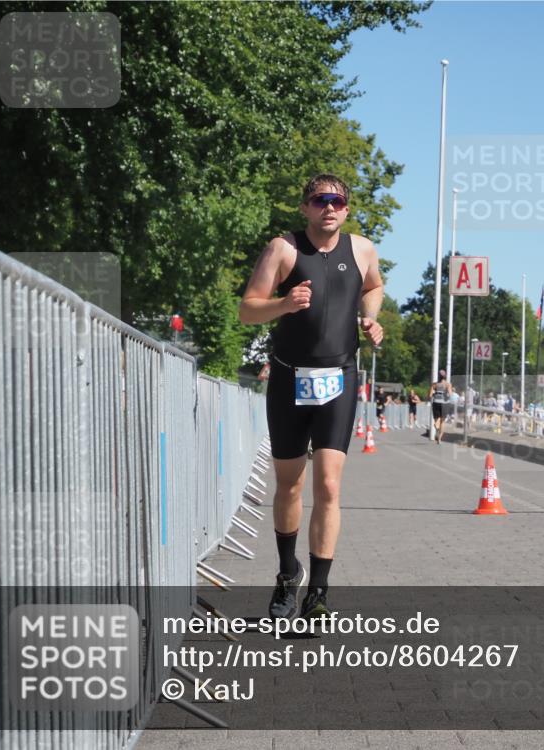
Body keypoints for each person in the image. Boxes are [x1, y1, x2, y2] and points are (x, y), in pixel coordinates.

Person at [238, 174, 384, 622]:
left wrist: (370, 318)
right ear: (305, 207)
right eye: (320, 200)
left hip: (339, 378)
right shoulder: (283, 249)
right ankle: (287, 574)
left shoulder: (362, 250)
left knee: (329, 486)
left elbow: (373, 287)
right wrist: (283, 304)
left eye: (338, 201)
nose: (330, 207)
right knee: (289, 485)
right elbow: (247, 309)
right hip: (289, 378)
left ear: (347, 209)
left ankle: (318, 594)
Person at [430, 370, 453, 443]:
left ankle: (436, 425)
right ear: (445, 376)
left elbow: (430, 395)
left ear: (438, 376)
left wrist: (435, 394)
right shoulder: (448, 384)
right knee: (442, 422)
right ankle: (439, 439)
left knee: (437, 419)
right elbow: (450, 395)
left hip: (436, 402)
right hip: (444, 403)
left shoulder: (434, 384)